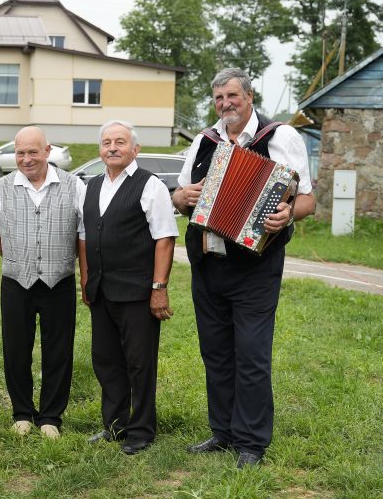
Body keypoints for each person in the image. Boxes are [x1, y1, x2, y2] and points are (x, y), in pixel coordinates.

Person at [173, 68, 316, 468]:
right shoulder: (205, 141)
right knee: (215, 352)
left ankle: (251, 442)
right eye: (219, 98)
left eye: (232, 96)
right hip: (207, 263)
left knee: (251, 353)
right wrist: (181, 195)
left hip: (256, 267)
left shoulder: (279, 136)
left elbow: (306, 199)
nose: (225, 104)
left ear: (249, 96)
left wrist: (286, 215)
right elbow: (181, 198)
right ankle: (223, 431)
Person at [82, 120, 177, 455]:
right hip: (102, 289)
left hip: (137, 290)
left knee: (139, 363)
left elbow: (165, 239)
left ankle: (142, 430)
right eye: (106, 142)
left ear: (134, 148)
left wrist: (159, 287)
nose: (112, 148)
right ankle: (114, 425)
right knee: (106, 360)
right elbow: (86, 236)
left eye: (119, 142)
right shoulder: (92, 186)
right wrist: (86, 278)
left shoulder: (151, 186)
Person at [0, 126, 86, 439]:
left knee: (59, 350)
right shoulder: (1, 187)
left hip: (61, 280)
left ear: (47, 150)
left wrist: (78, 270)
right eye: (20, 153)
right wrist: (18, 257)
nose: (26, 159)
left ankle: (51, 417)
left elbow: (83, 235)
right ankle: (22, 413)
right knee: (16, 350)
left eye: (32, 152)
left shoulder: (74, 185)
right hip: (17, 280)